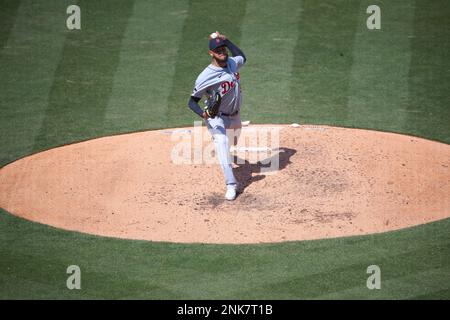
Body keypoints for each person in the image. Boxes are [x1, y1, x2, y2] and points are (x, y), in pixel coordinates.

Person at [188, 31, 246, 201]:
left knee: (232, 142)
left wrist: (227, 40)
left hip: (234, 116)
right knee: (222, 142)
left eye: (223, 49)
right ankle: (231, 185)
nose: (222, 52)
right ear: (211, 53)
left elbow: (242, 56)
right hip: (216, 117)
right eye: (218, 50)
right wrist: (204, 114)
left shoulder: (231, 64)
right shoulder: (205, 76)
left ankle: (224, 154)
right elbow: (192, 102)